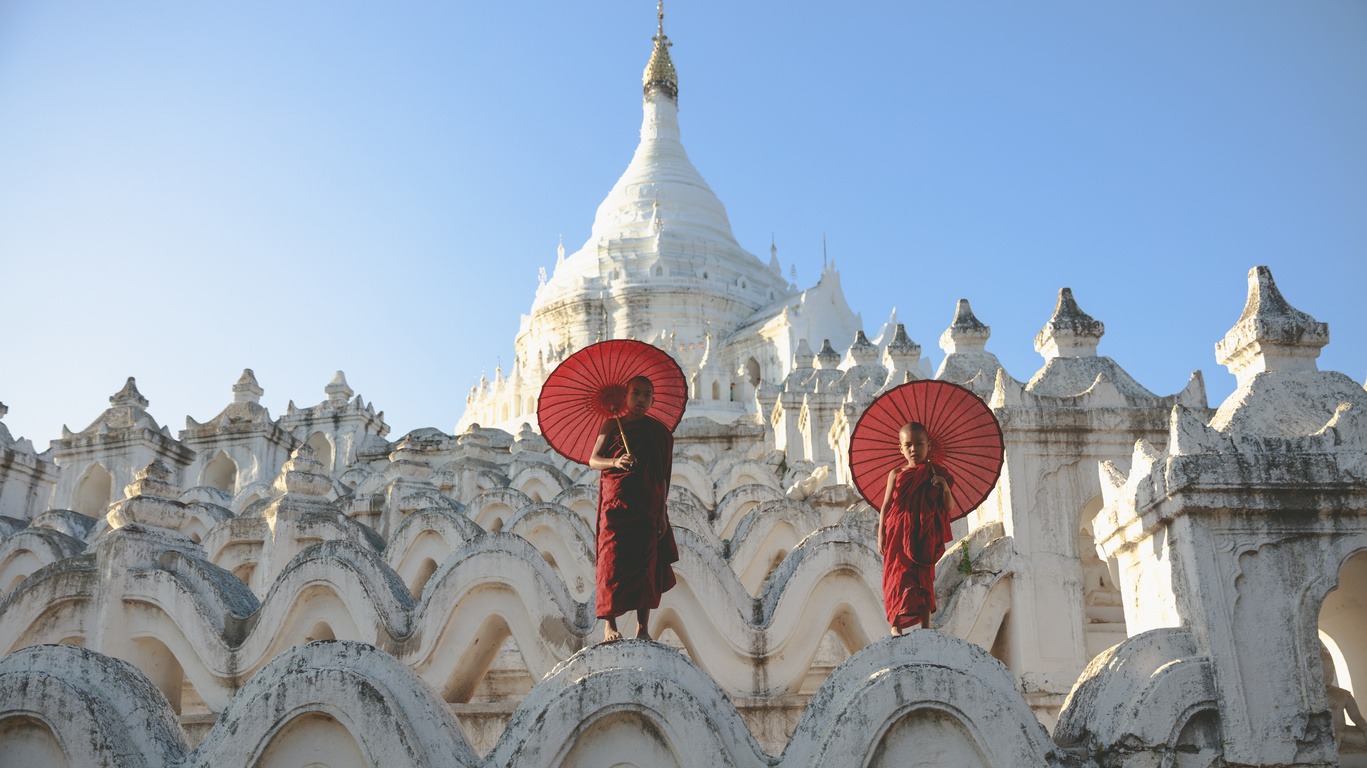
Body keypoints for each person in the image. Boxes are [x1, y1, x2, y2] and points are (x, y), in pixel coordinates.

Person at [588, 375, 679, 643]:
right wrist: (615, 462)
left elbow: (664, 476)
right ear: (625, 397)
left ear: (652, 400)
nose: (641, 399)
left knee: (646, 562)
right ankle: (609, 626)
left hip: (647, 505)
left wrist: (662, 512)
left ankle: (642, 627)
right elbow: (594, 460)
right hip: (615, 503)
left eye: (647, 395)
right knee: (610, 560)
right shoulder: (611, 425)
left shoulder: (659, 433)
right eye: (635, 393)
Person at [877, 422, 954, 635]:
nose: (914, 449)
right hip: (897, 531)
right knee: (896, 576)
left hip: (924, 531)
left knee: (922, 576)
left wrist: (944, 487)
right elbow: (886, 505)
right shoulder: (896, 473)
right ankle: (896, 626)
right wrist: (881, 533)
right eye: (908, 445)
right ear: (900, 448)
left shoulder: (937, 473)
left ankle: (926, 625)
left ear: (929, 446)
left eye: (919, 444)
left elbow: (948, 507)